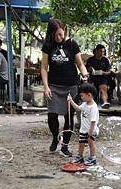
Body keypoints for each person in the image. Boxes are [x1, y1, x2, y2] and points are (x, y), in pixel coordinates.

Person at [41, 18, 88, 156]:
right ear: (51, 35)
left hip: (70, 86)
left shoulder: (72, 44)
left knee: (69, 116)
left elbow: (80, 64)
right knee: (52, 115)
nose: (59, 38)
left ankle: (65, 146)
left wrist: (84, 74)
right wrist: (46, 86)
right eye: (56, 36)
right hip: (54, 86)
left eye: (61, 34)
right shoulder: (48, 46)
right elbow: (44, 68)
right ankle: (55, 137)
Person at [67, 83, 99, 166]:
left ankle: (92, 158)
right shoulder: (85, 104)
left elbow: (93, 121)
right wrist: (71, 101)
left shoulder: (93, 107)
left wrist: (91, 131)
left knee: (91, 144)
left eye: (82, 96)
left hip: (91, 130)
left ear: (89, 95)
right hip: (83, 130)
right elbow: (78, 108)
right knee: (81, 144)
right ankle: (79, 157)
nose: (81, 97)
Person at [86, 44, 112, 109]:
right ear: (96, 51)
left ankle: (105, 102)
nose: (102, 53)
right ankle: (90, 102)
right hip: (92, 77)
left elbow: (109, 71)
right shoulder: (90, 60)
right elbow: (86, 70)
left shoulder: (105, 60)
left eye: (103, 51)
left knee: (103, 88)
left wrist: (103, 72)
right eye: (100, 51)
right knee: (90, 88)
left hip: (102, 77)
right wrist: (90, 69)